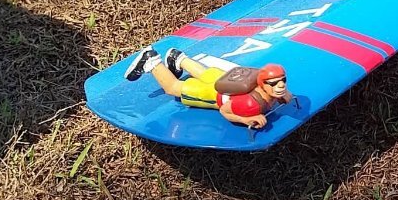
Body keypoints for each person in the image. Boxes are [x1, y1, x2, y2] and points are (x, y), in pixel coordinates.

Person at [124, 48, 290, 131]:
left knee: (203, 73)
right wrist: (245, 120)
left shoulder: (267, 86)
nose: (281, 86)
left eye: (282, 81)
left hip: (226, 78)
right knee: (174, 88)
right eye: (274, 83)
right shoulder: (251, 104)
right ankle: (151, 61)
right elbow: (225, 110)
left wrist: (281, 95)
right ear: (263, 84)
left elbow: (271, 88)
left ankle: (178, 58)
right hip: (212, 94)